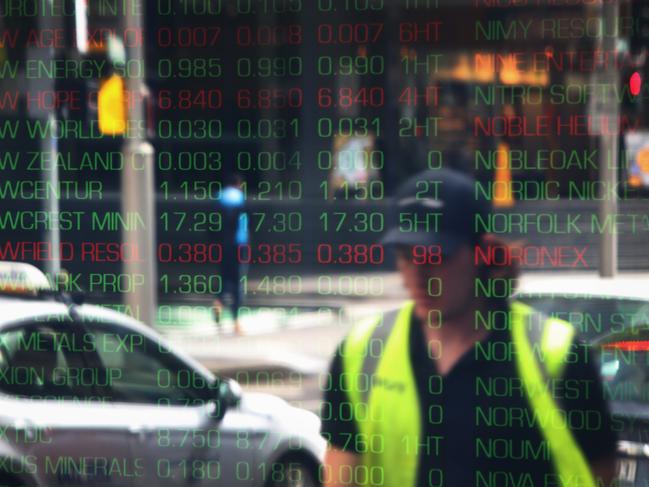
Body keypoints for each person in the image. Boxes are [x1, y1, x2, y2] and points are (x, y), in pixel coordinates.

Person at [321, 168, 617, 487]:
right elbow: (341, 477)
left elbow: (600, 470)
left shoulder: (556, 353)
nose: (418, 275)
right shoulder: (362, 352)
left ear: (483, 253)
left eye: (434, 256)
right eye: (406, 257)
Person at [213, 173, 248, 335]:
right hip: (238, 245)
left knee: (225, 278)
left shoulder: (219, 197)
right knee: (238, 282)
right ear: (238, 184)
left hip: (222, 245)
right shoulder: (238, 197)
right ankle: (236, 322)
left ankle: (218, 302)